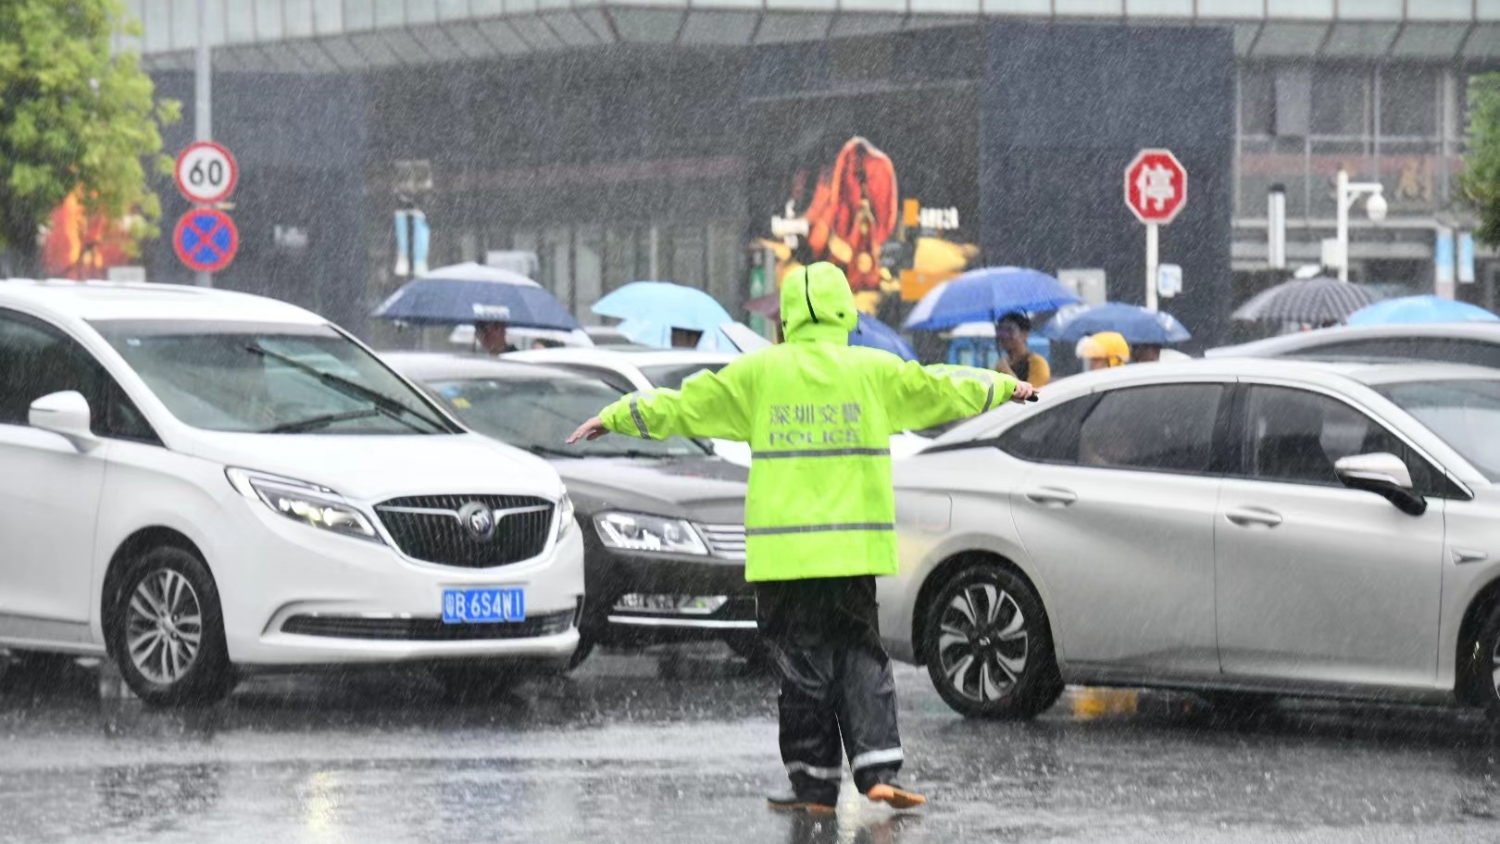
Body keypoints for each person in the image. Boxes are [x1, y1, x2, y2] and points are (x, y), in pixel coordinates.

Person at [567, 262, 1035, 815]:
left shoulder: (759, 375)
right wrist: (1005, 386)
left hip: (785, 557)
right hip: (852, 552)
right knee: (861, 654)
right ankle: (878, 767)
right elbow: (938, 385)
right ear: (844, 313)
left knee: (802, 667)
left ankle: (813, 783)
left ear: (786, 320)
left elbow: (684, 403)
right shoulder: (871, 372)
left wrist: (617, 416)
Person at [993, 312, 1050, 387]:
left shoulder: (1037, 363)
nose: (1005, 336)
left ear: (1025, 335)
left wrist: (1006, 371)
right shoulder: (1002, 363)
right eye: (1001, 331)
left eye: (1009, 330)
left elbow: (1032, 395)